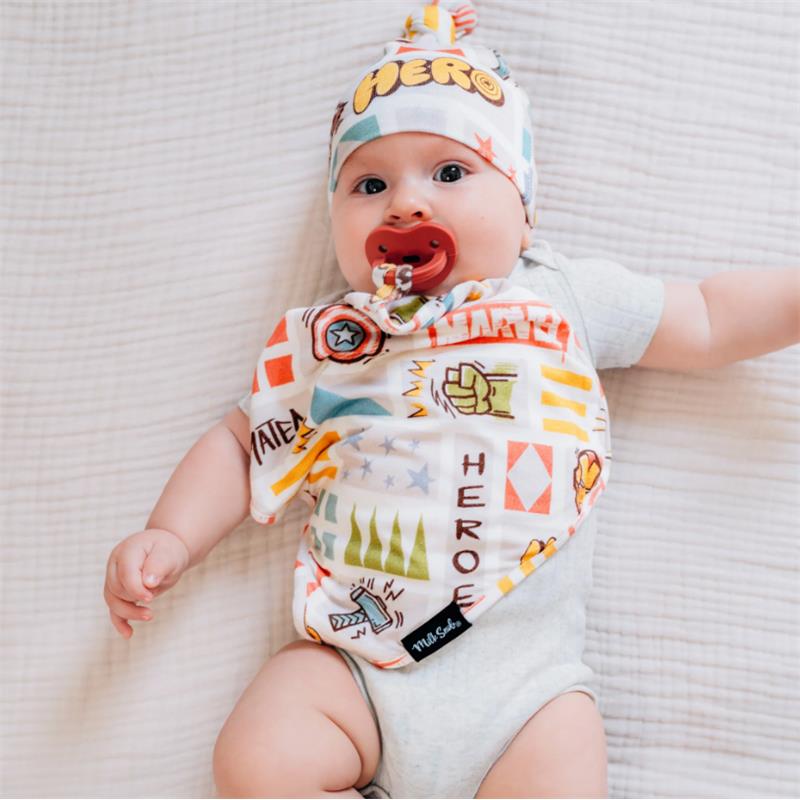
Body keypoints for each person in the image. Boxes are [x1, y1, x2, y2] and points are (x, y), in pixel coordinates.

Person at [102, 3, 799, 797]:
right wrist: (172, 534)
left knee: (565, 762)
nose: (405, 204)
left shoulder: (556, 298)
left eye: (451, 172)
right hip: (357, 668)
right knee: (257, 758)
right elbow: (239, 443)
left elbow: (707, 317)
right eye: (369, 184)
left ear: (523, 207)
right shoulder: (336, 341)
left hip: (524, 691)